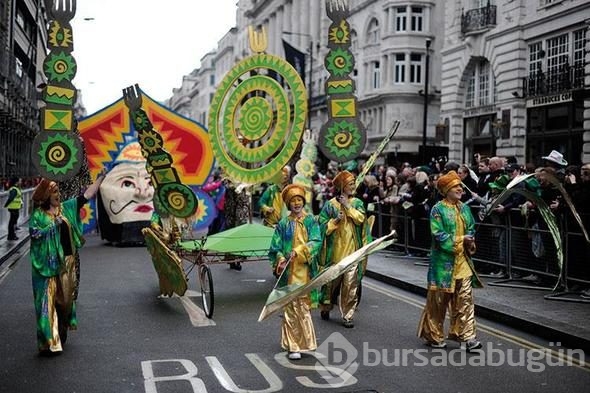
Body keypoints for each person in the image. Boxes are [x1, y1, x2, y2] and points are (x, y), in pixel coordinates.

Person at [29, 172, 105, 355]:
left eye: (58, 193)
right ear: (47, 195)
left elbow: (86, 196)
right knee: (46, 303)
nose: (58, 196)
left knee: (65, 303)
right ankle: (48, 343)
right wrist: (52, 226)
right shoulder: (39, 215)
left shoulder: (66, 208)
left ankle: (61, 331)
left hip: (67, 264)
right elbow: (34, 234)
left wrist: (101, 179)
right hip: (46, 267)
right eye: (54, 193)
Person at [417, 170, 483, 352]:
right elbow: (438, 234)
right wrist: (462, 240)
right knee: (439, 301)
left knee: (465, 300)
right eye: (456, 186)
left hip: (463, 261)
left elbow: (471, 228)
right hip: (443, 263)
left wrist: (470, 241)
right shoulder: (437, 209)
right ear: (446, 190)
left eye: (460, 186)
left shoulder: (465, 208)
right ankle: (433, 334)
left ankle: (467, 336)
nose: (460, 189)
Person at [268, 184, 321, 360]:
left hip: (305, 270)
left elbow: (316, 241)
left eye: (299, 200)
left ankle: (305, 342)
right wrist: (281, 260)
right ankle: (293, 346)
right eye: (293, 201)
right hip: (288, 274)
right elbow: (275, 248)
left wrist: (299, 251)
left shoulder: (311, 221)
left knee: (303, 307)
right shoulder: (283, 224)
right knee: (290, 308)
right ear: (288, 204)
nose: (296, 203)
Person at [318, 170, 371, 328]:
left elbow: (362, 220)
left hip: (352, 252)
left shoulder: (357, 203)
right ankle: (326, 307)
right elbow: (321, 225)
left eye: (353, 183)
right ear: (341, 186)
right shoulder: (330, 205)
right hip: (334, 253)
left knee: (350, 285)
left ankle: (348, 315)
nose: (353, 186)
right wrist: (335, 220)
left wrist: (348, 206)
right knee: (331, 284)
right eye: (350, 184)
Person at [4, 177, 22, 241]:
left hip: (15, 207)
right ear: (16, 182)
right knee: (12, 222)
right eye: (20, 181)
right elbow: (11, 198)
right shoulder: (14, 189)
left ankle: (12, 235)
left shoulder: (16, 188)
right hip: (13, 208)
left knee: (13, 222)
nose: (21, 182)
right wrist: (6, 205)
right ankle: (11, 236)